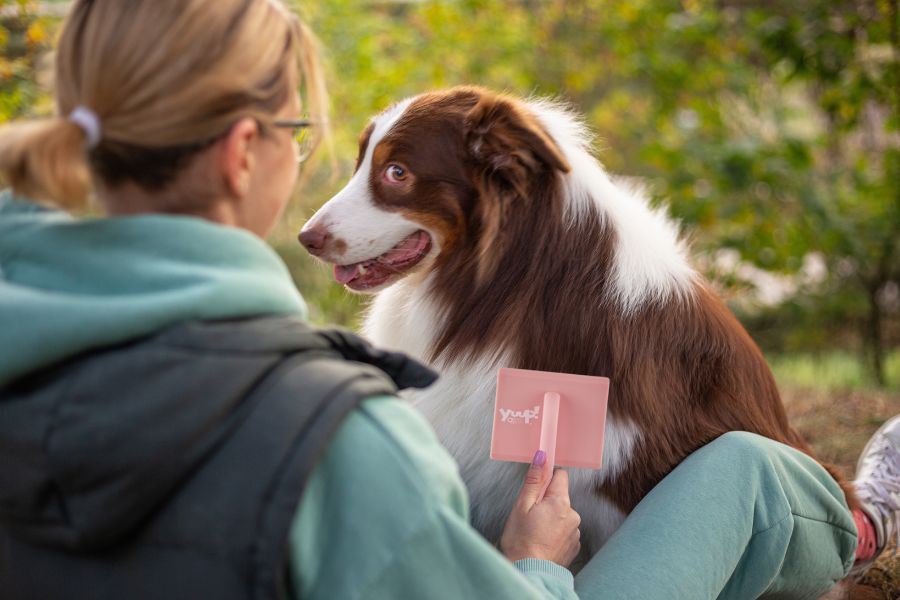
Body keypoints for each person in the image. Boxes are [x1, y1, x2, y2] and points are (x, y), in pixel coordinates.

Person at [0, 1, 895, 599]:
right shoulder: (335, 440)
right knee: (744, 471)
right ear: (243, 153)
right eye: (301, 138)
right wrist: (535, 565)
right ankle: (864, 525)